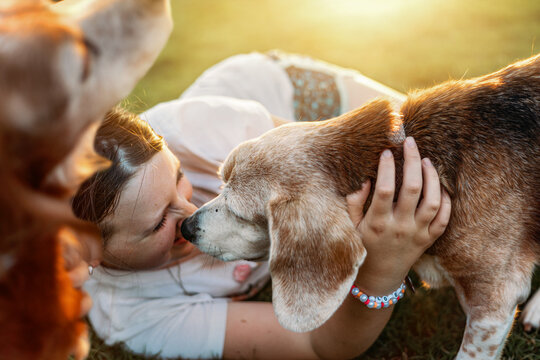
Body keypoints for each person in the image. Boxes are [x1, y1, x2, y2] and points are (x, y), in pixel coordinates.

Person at [72, 52, 451, 359]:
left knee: (435, 149)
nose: (189, 214)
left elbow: (329, 174)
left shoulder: (191, 129)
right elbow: (321, 344)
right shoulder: (137, 318)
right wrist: (382, 269)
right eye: (156, 224)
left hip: (286, 95)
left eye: (178, 179)